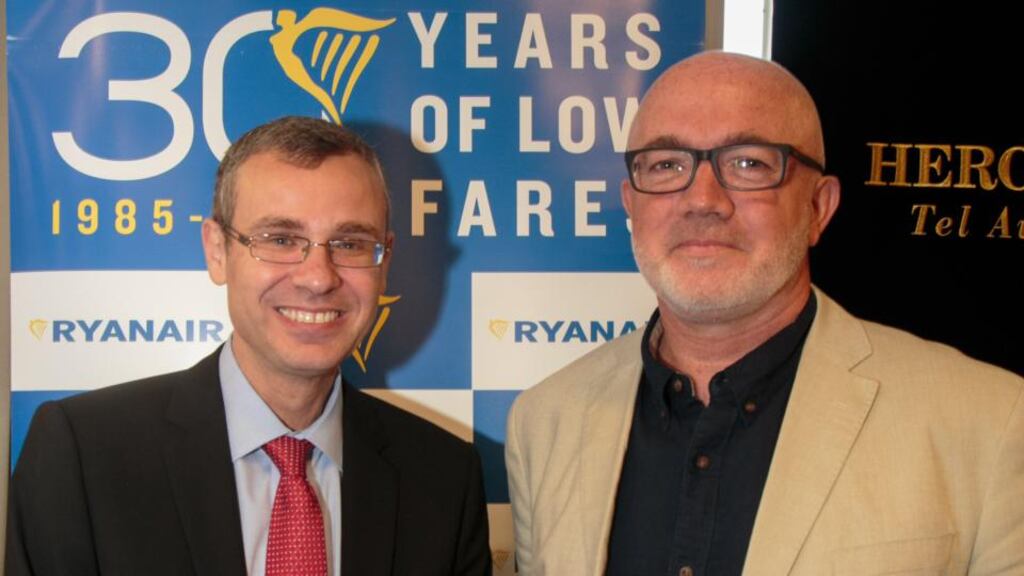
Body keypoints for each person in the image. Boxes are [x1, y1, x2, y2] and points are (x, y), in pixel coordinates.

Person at [505, 52, 1023, 575]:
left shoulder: (991, 422)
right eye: (666, 166)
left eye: (748, 163)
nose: (702, 199)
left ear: (819, 206)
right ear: (631, 205)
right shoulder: (545, 422)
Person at [7, 116, 492, 576]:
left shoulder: (444, 479)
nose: (318, 278)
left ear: (384, 261)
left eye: (349, 243)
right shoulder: (83, 456)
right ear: (217, 251)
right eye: (280, 238)